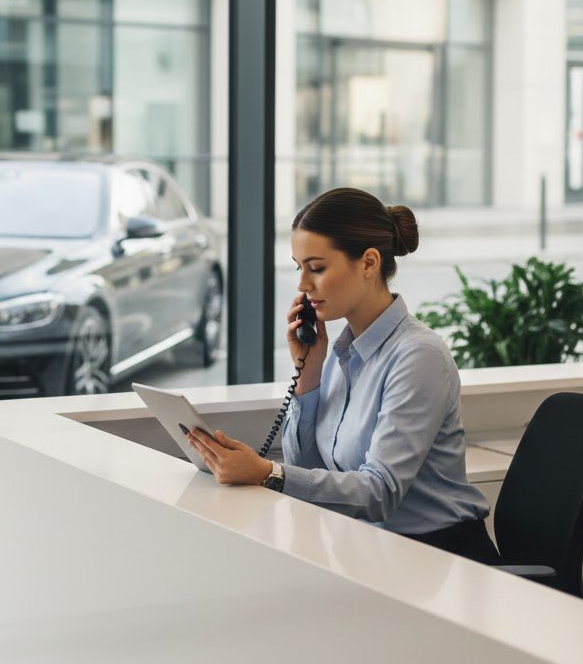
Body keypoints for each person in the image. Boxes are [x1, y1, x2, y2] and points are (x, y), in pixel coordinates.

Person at [186, 186, 500, 565]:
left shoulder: (419, 357)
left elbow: (379, 493)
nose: (302, 285)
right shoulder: (339, 353)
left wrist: (268, 473)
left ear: (368, 263)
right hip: (370, 550)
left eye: (317, 268)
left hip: (439, 556)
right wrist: (308, 376)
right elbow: (308, 468)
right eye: (299, 268)